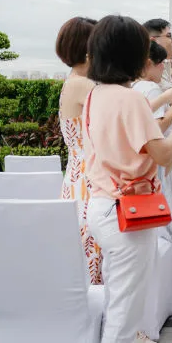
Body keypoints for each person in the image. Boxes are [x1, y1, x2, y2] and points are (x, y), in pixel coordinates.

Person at [83, 15, 172, 343]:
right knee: (123, 318)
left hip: (100, 206)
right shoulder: (129, 99)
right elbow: (162, 153)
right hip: (128, 214)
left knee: (117, 305)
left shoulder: (94, 95)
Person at [133, 40, 172, 310]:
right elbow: (158, 125)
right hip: (159, 162)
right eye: (161, 65)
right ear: (150, 64)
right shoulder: (149, 88)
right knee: (168, 225)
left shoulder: (132, 88)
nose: (163, 69)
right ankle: (167, 292)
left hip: (143, 165)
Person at [55, 17, 102, 284]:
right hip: (88, 179)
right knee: (93, 246)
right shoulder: (83, 85)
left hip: (77, 176)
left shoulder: (75, 81)